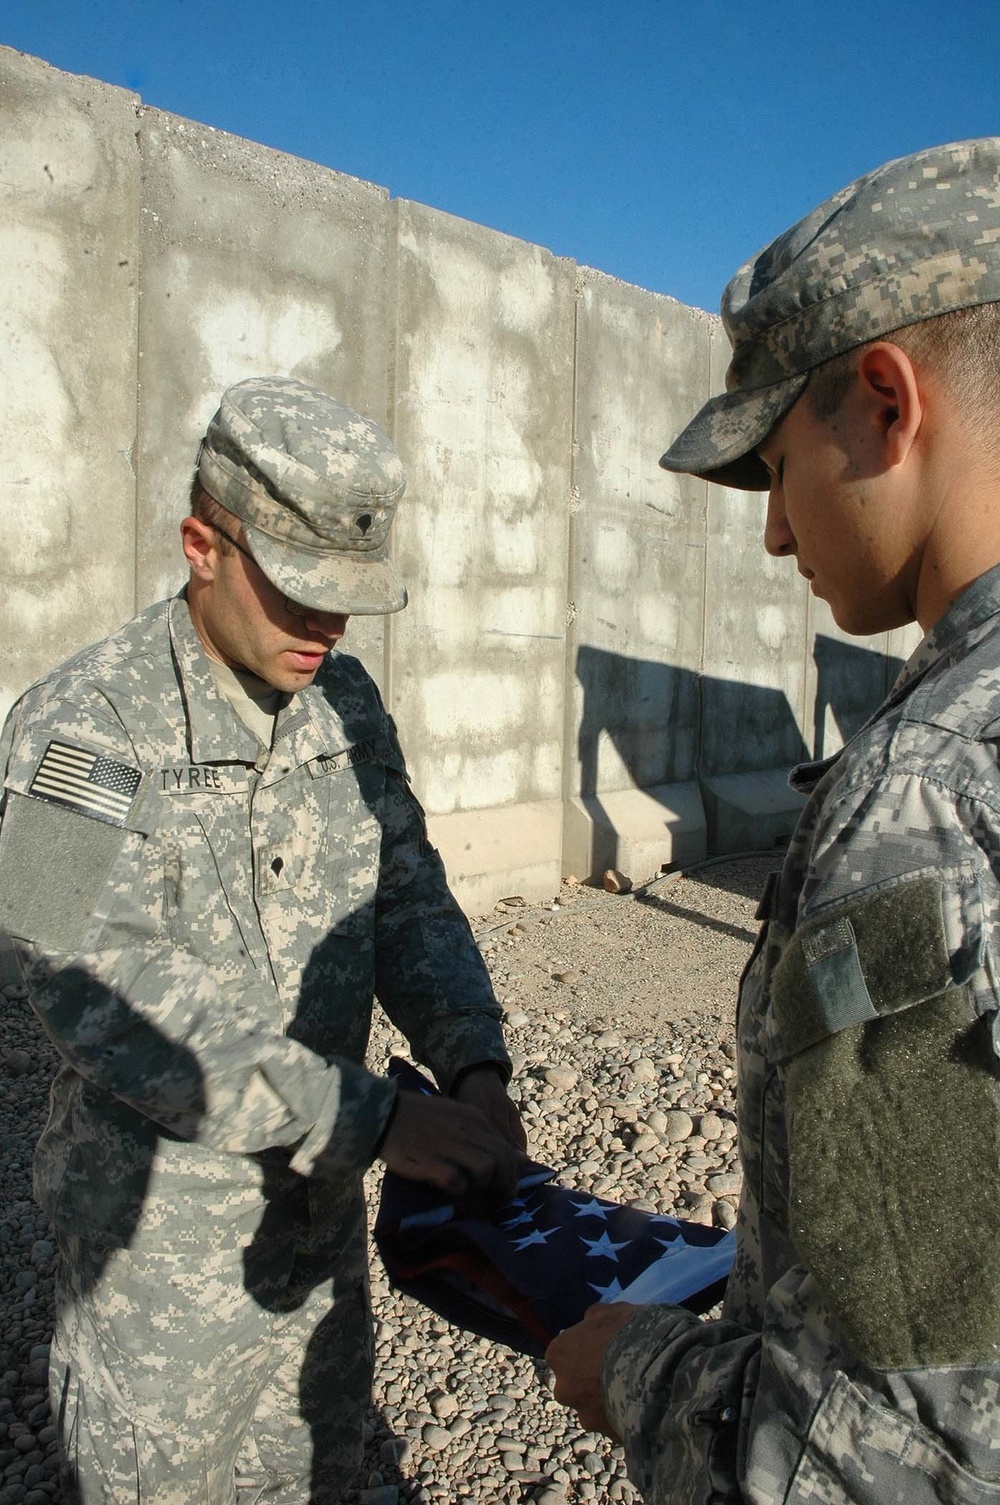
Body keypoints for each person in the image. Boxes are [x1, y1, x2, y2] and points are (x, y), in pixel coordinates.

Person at [545, 138, 1000, 1503]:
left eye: (778, 465)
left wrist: (630, 1370)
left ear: (883, 403)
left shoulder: (926, 793)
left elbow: (902, 1449)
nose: (776, 540)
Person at [0, 376, 526, 1504]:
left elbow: (408, 896)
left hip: (317, 1237)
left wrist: (472, 1059)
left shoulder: (347, 703)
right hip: (162, 1279)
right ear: (201, 543)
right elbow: (85, 981)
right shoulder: (79, 725)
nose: (326, 627)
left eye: (348, 599)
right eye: (298, 592)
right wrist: (376, 1114)